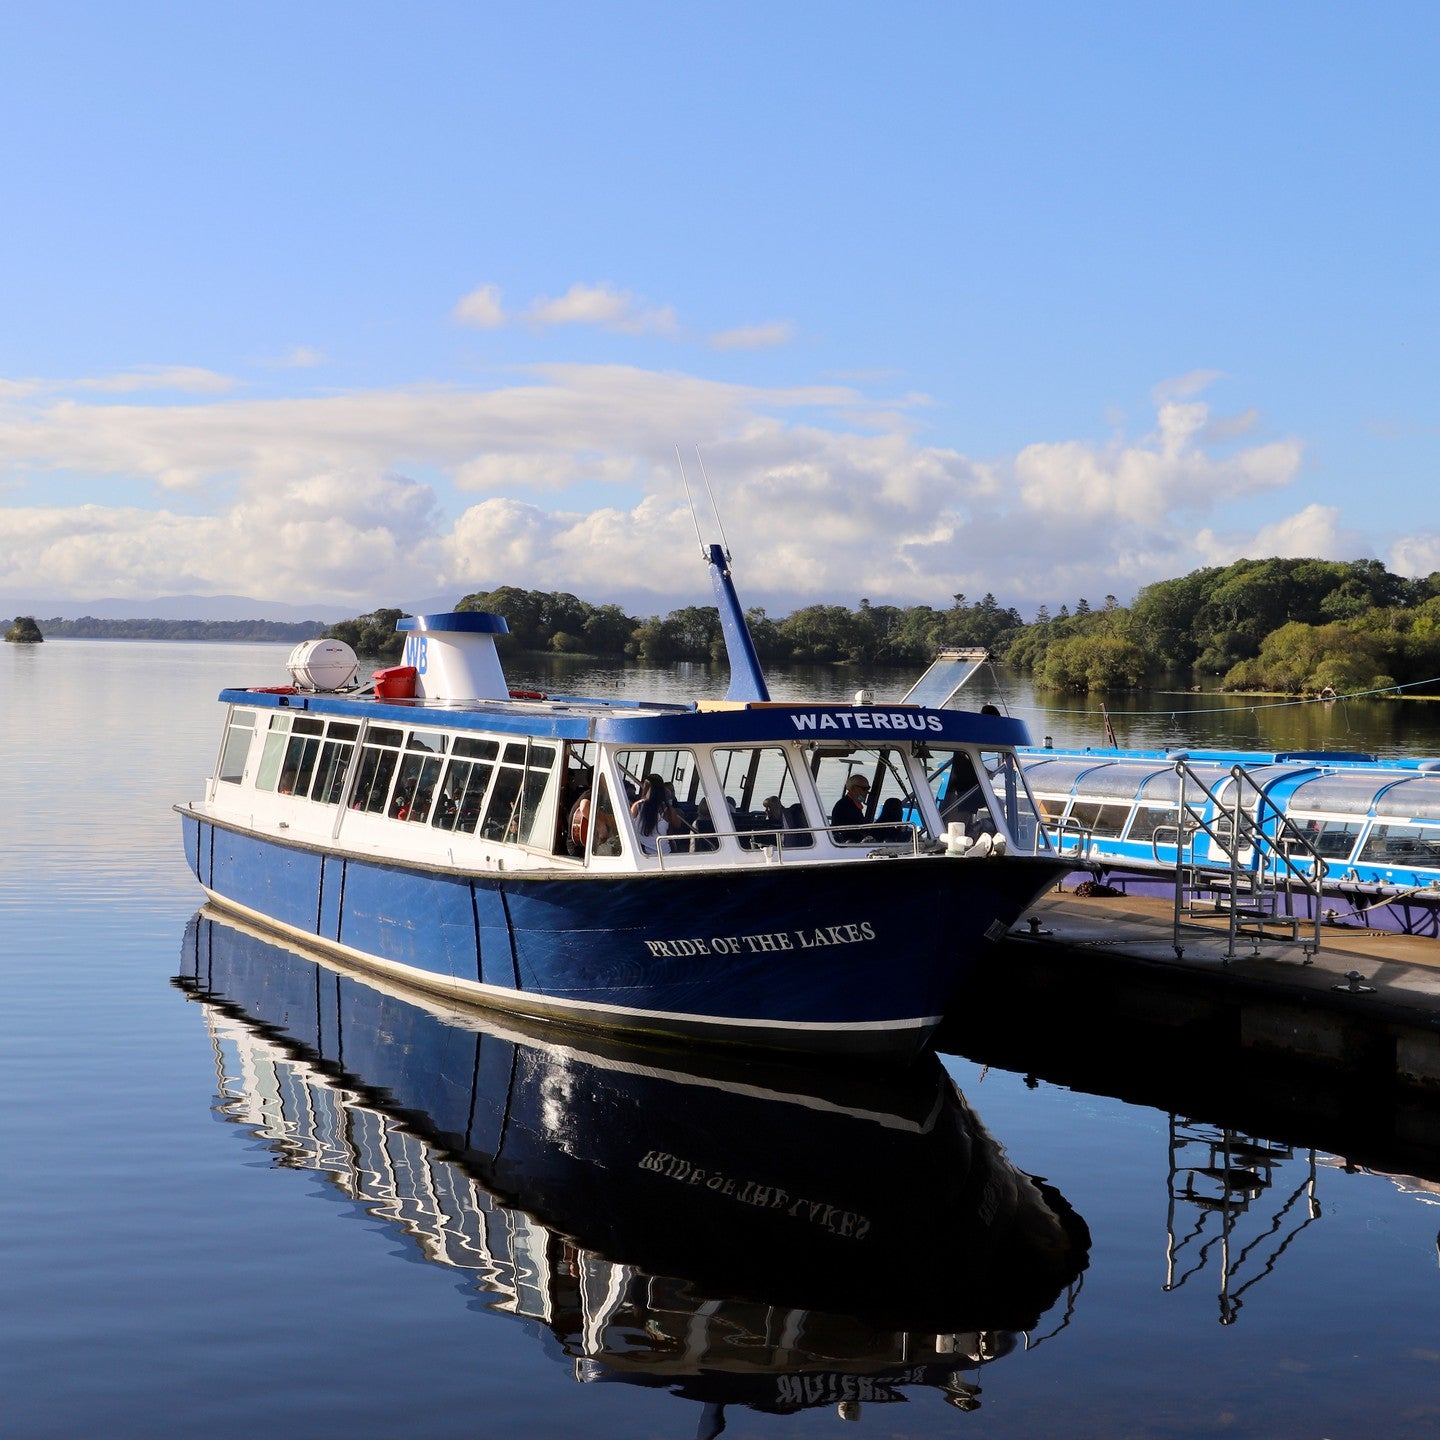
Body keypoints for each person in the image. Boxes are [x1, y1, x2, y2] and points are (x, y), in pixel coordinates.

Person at [631, 773, 687, 855]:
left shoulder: (637, 806)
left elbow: (629, 824)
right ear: (662, 789)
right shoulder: (668, 809)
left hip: (642, 854)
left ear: (645, 788)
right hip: (664, 853)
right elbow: (677, 825)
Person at [830, 775, 870, 841]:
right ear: (854, 788)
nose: (867, 792)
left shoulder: (852, 804)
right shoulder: (845, 806)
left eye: (868, 788)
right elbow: (854, 829)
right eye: (864, 789)